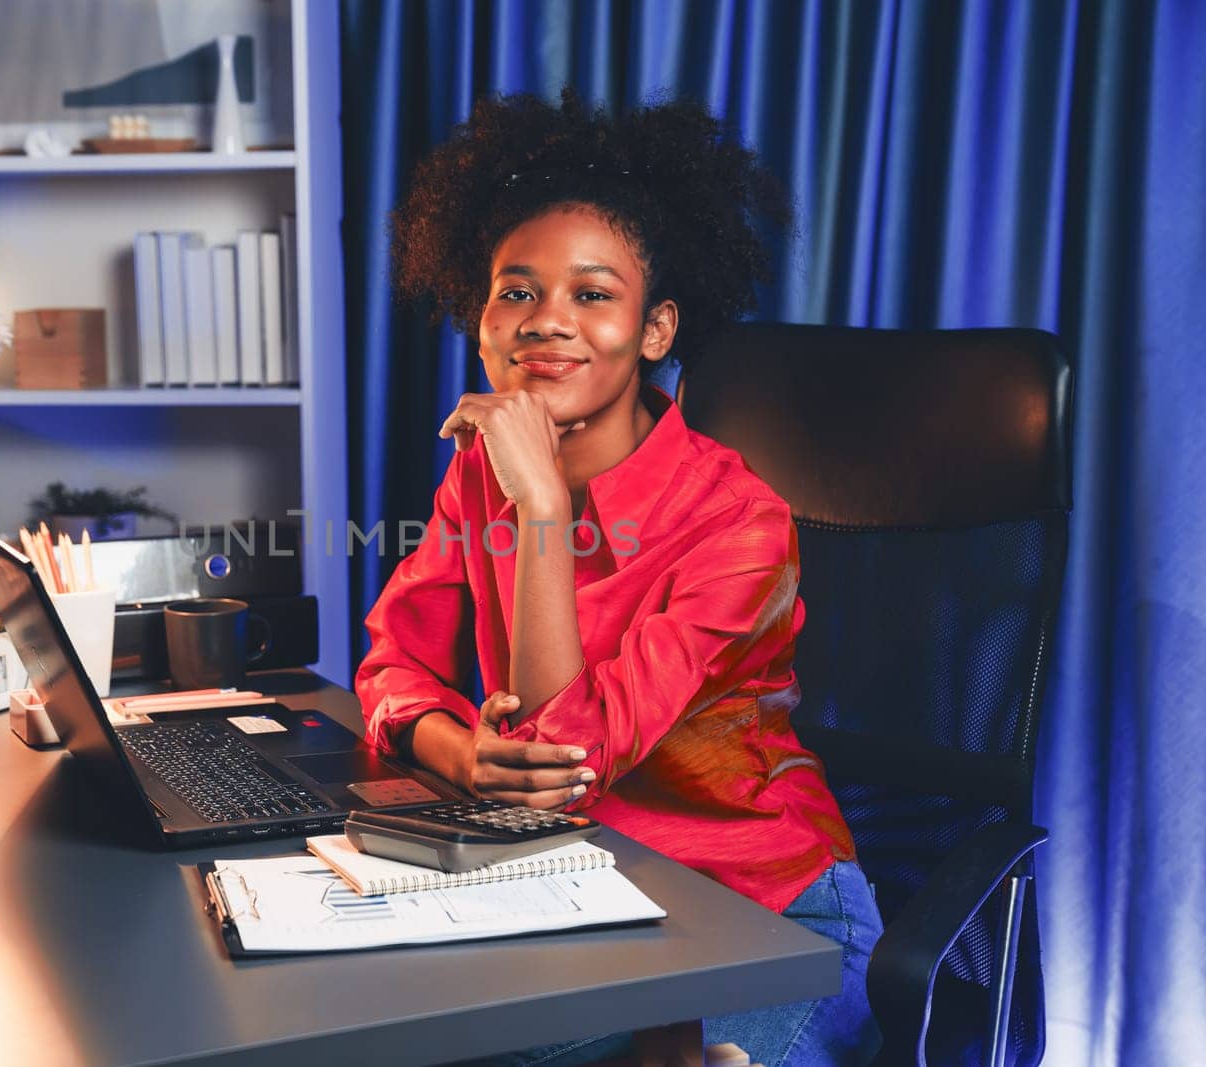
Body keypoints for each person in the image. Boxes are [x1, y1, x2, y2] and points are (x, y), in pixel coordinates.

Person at [354, 91, 882, 1066]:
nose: (545, 321)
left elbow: (561, 763)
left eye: (592, 294)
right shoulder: (479, 473)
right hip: (575, 904)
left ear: (654, 329)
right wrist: (458, 752)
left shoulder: (738, 523)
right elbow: (394, 661)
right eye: (515, 291)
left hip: (761, 919)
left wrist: (543, 512)